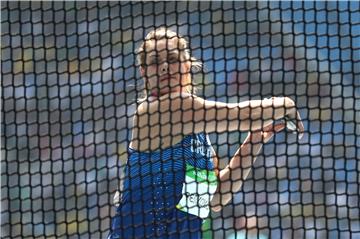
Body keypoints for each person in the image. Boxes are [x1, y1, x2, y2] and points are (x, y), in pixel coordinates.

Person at [108, 27, 304, 239]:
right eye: (156, 62)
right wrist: (286, 104)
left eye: (172, 59)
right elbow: (245, 116)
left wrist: (254, 139)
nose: (165, 67)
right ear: (144, 72)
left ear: (186, 65)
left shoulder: (197, 139)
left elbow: (217, 197)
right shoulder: (158, 110)